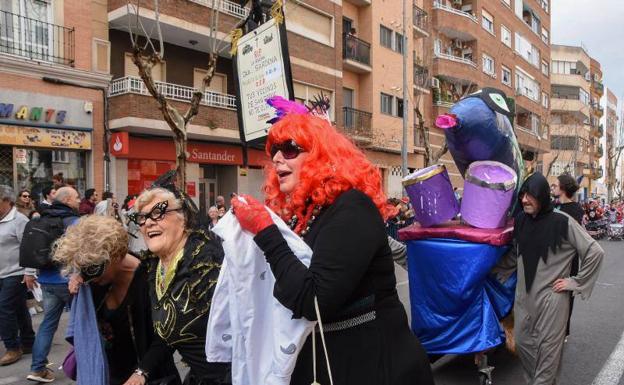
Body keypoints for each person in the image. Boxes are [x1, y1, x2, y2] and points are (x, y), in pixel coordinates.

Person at [231, 110, 434, 384]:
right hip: (327, 361)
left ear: (321, 157)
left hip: (374, 366)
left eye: (290, 149)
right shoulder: (306, 214)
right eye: (274, 150)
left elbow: (313, 301)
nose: (277, 157)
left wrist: (266, 231)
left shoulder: (353, 207)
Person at [493, 173, 604, 385]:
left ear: (542, 196)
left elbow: (594, 252)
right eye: (523, 194)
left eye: (530, 194)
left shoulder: (563, 222)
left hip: (552, 303)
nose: (525, 199)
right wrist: (483, 271)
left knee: (547, 360)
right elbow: (515, 256)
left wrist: (576, 282)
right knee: (523, 346)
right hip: (524, 301)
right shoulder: (521, 221)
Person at [53, 215, 180, 385]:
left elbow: (168, 334)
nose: (92, 278)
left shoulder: (151, 277)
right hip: (107, 373)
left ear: (116, 255)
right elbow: (85, 325)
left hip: (150, 375)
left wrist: (143, 371)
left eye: (95, 269)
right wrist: (76, 290)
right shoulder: (91, 280)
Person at [125, 181, 230, 385]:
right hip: (199, 377)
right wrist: (142, 371)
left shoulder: (205, 261)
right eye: (142, 218)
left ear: (183, 220)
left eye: (159, 212)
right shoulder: (155, 266)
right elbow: (169, 331)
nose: (148, 223)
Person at [26, 186, 81, 383]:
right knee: (83, 324)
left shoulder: (41, 218)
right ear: (66, 200)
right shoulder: (74, 221)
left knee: (47, 324)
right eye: (76, 197)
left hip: (47, 281)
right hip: (70, 282)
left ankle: (37, 368)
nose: (79, 200)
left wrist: (30, 273)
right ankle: (81, 367)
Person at [0, 185, 35, 366]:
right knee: (19, 307)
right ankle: (28, 341)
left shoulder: (19, 220)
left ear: (7, 201)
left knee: (4, 308)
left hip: (16, 272)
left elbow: (28, 247)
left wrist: (29, 272)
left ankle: (12, 347)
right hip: (1, 272)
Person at [553, 174, 585, 339]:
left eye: (555, 185)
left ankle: (564, 330)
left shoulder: (575, 209)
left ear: (563, 189)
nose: (552, 188)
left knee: (566, 292)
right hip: (554, 258)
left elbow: (573, 236)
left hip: (568, 258)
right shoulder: (554, 206)